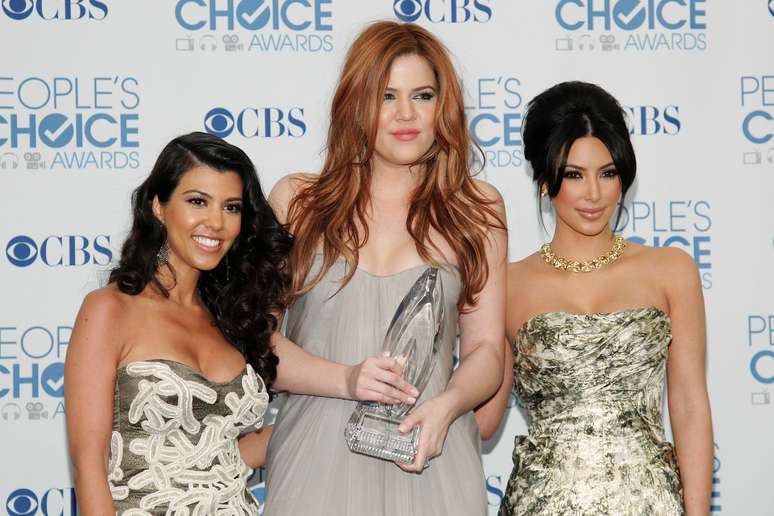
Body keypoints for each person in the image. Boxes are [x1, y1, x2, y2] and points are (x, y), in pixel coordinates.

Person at [64, 132, 414, 515]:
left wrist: (349, 410)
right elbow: (88, 468)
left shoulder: (232, 317)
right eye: (198, 201)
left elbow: (225, 455)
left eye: (231, 207)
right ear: (158, 207)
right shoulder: (110, 310)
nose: (215, 222)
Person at [263, 21, 507, 516]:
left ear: (444, 106)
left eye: (422, 95)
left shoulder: (477, 209)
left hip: (432, 455)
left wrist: (448, 406)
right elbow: (259, 343)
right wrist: (346, 380)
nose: (405, 114)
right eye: (386, 95)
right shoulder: (298, 202)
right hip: (315, 460)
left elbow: (486, 350)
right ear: (358, 104)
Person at [493, 81, 713, 515]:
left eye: (607, 173)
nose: (593, 194)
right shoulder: (506, 285)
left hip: (650, 505)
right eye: (574, 175)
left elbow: (689, 404)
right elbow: (482, 420)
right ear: (543, 179)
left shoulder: (671, 270)